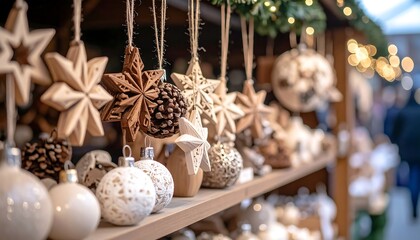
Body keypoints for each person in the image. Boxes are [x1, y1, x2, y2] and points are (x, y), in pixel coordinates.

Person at [392, 88, 420, 220]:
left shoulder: (403, 112)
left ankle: (413, 206)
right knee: (416, 176)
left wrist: (398, 144)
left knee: (413, 176)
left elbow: (395, 132)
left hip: (408, 152)